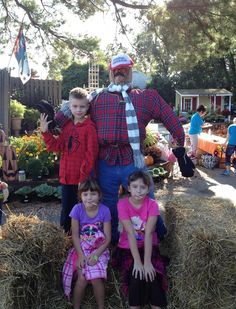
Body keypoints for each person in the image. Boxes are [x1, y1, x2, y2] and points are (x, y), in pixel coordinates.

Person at [47, 53, 185, 243]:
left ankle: (159, 236)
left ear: (130, 72)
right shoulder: (96, 98)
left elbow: (168, 115)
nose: (120, 72)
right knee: (107, 203)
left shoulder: (146, 98)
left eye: (124, 69)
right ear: (111, 73)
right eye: (116, 70)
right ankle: (111, 242)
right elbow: (68, 112)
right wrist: (50, 122)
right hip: (106, 160)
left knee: (147, 199)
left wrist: (179, 144)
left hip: (133, 158)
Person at [40, 87, 98, 233]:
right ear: (69, 106)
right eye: (75, 106)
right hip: (66, 178)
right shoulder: (67, 126)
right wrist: (45, 132)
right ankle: (66, 242)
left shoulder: (89, 128)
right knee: (67, 211)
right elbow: (56, 146)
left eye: (82, 106)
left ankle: (85, 241)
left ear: (88, 106)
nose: (78, 110)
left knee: (82, 212)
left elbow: (91, 154)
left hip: (82, 181)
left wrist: (83, 178)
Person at [113, 170, 167, 309]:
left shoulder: (153, 205)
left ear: (148, 188)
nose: (139, 190)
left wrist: (147, 261)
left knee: (153, 274)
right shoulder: (122, 204)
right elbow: (130, 233)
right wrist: (138, 261)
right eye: (135, 187)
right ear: (128, 188)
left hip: (149, 245)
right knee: (135, 275)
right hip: (128, 247)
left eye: (142, 187)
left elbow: (149, 233)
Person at [62, 179, 111, 309]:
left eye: (93, 194)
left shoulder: (104, 211)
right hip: (81, 248)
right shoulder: (77, 209)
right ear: (80, 196)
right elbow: (75, 235)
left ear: (99, 195)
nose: (89, 197)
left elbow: (107, 239)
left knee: (95, 278)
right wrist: (81, 255)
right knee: (82, 277)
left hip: (99, 248)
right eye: (85, 194)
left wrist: (96, 255)